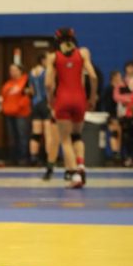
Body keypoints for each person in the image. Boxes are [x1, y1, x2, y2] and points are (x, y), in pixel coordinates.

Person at [44, 27, 98, 188]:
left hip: (62, 99)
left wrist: (51, 100)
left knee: (65, 139)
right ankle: (81, 166)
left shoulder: (53, 57)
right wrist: (92, 97)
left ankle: (74, 175)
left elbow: (48, 84)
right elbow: (93, 77)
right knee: (77, 136)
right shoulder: (83, 53)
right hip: (80, 99)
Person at [0, 63, 31, 166]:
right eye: (10, 70)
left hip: (21, 114)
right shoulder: (8, 84)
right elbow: (3, 97)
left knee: (22, 136)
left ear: (20, 71)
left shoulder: (26, 81)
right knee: (12, 137)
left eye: (14, 70)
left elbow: (28, 96)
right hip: (9, 113)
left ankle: (23, 158)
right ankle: (13, 158)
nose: (11, 72)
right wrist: (4, 108)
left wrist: (19, 106)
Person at [27, 53, 51, 165]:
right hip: (45, 103)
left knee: (36, 133)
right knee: (48, 133)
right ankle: (49, 159)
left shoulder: (31, 72)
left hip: (35, 103)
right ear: (43, 60)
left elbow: (31, 91)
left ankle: (33, 157)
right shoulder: (46, 72)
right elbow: (48, 86)